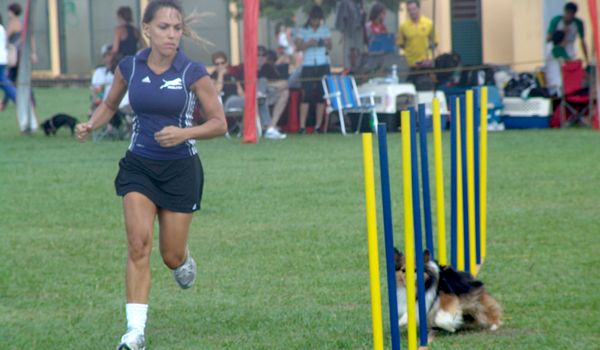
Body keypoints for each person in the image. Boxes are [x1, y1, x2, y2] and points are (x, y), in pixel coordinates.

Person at [75, 1, 227, 349]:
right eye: (164, 27)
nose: (171, 34)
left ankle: (183, 258)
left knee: (169, 255)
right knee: (138, 244)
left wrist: (183, 133)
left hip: (180, 170)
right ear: (147, 29)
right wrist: (91, 124)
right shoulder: (129, 66)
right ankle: (135, 332)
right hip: (139, 165)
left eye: (176, 28)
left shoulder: (192, 71)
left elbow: (219, 123)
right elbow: (111, 103)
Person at [295, 5, 332, 134]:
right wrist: (308, 43)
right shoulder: (303, 30)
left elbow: (330, 45)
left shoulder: (325, 29)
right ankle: (302, 126)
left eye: (318, 19)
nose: (316, 22)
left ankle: (317, 126)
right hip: (308, 63)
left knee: (321, 95)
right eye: (314, 19)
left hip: (323, 62)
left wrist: (326, 42)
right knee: (307, 94)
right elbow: (298, 47)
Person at [1, 2, 36, 111]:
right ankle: (31, 101)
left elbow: (6, 38)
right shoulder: (22, 23)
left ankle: (11, 102)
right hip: (22, 54)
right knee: (22, 78)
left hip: (14, 56)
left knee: (8, 79)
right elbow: (30, 38)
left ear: (12, 12)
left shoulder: (13, 23)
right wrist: (33, 53)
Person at [396, 0, 437, 68]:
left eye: (414, 9)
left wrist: (428, 56)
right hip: (410, 63)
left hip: (426, 63)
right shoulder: (403, 26)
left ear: (418, 8)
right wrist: (410, 51)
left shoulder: (429, 23)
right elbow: (401, 44)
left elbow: (435, 42)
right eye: (409, 10)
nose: (412, 12)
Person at [335, 0, 367, 68]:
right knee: (349, 55)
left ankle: (358, 69)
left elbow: (364, 20)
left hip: (359, 32)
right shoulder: (345, 3)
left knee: (359, 55)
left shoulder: (361, 3)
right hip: (349, 32)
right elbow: (340, 21)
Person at [544, 30, 571, 97]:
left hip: (552, 85)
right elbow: (571, 64)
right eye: (565, 39)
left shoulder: (553, 50)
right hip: (558, 86)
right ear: (561, 40)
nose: (567, 41)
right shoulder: (558, 50)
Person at [0, 13, 17, 113]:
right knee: (4, 82)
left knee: (4, 82)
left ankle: (18, 98)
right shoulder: (2, 28)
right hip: (3, 58)